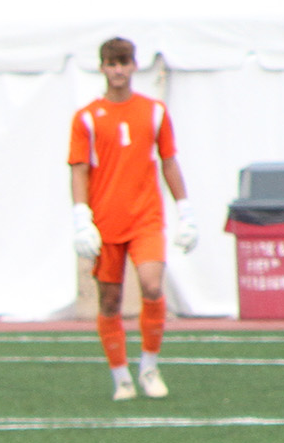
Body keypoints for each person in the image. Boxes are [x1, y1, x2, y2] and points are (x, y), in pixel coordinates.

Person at [68, 37, 197, 400]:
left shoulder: (154, 112)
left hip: (146, 217)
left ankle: (150, 368)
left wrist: (185, 210)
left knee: (152, 285)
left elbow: (169, 160)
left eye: (124, 62)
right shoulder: (87, 118)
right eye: (112, 63)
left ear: (134, 66)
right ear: (102, 68)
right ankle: (121, 376)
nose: (119, 70)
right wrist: (82, 216)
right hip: (106, 220)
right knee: (109, 302)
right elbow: (79, 169)